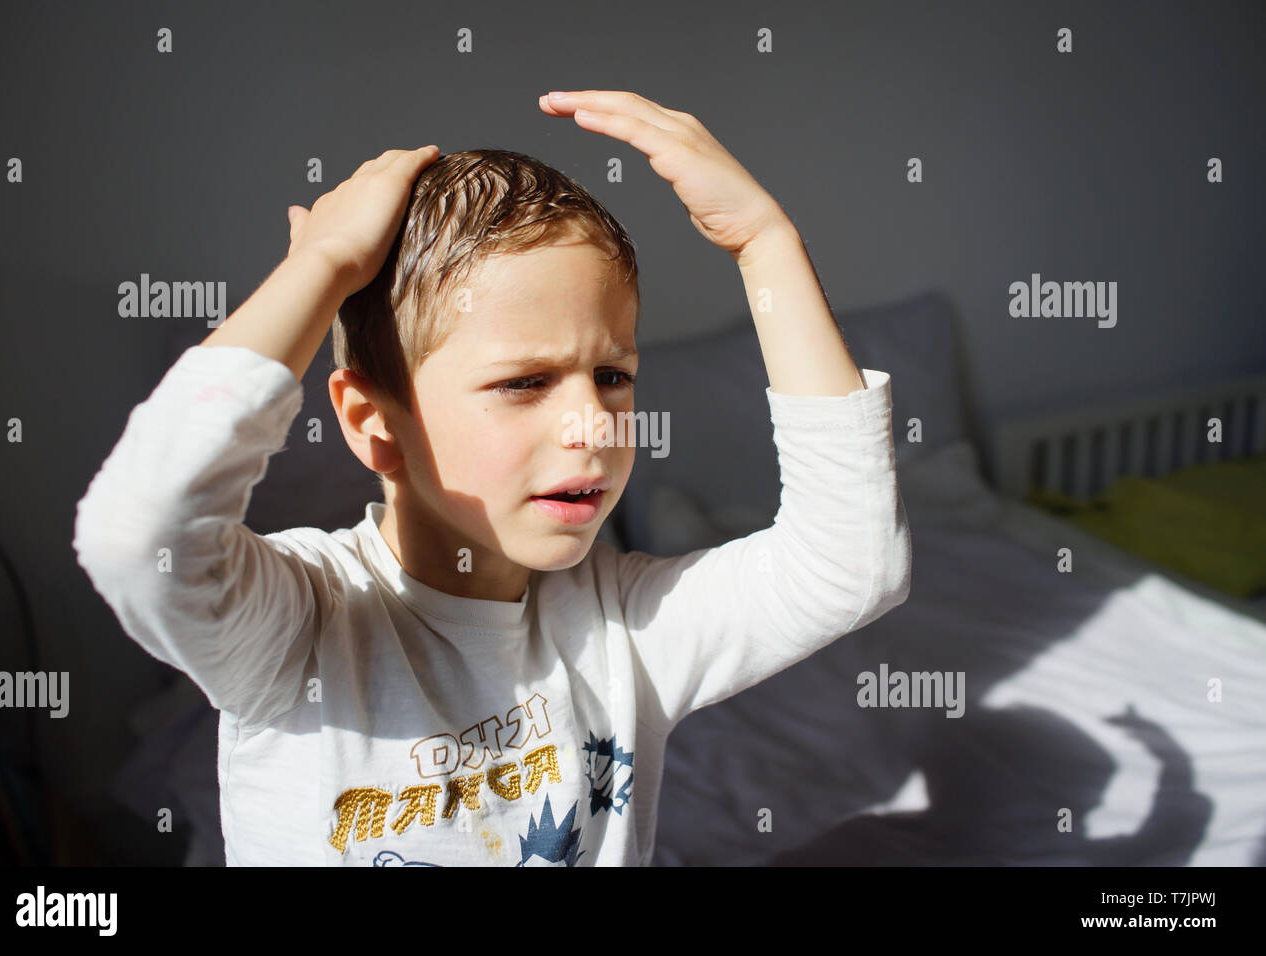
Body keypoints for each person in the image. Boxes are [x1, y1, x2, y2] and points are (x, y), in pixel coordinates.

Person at [73, 90, 912, 866]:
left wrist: (765, 245)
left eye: (612, 376)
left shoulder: (627, 630)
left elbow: (849, 565)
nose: (593, 425)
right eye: (524, 383)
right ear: (373, 423)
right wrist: (322, 266)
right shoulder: (301, 627)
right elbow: (135, 533)